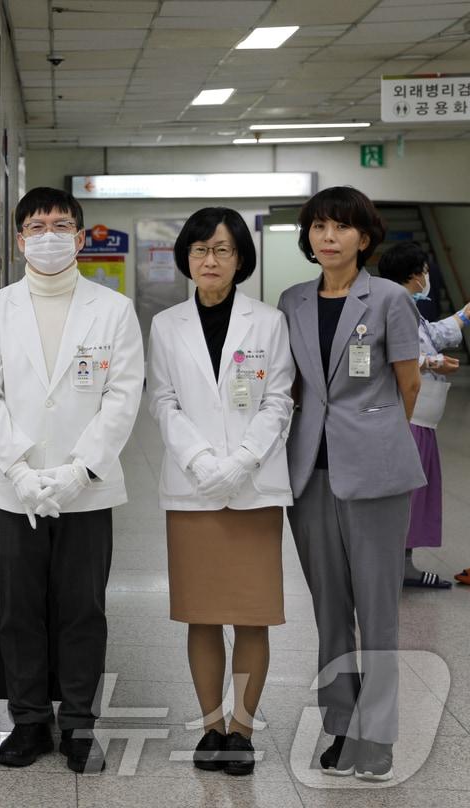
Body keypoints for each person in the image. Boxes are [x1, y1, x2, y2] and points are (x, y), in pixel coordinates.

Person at [0, 186, 143, 774]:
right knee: (17, 608)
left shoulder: (112, 309)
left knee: (82, 608)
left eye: (61, 225)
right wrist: (18, 467)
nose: (49, 236)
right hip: (10, 487)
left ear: (81, 236)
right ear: (19, 240)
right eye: (37, 226)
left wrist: (77, 471)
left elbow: (122, 398)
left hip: (86, 488)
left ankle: (79, 726)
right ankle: (29, 721)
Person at [277, 186, 422, 781]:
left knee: (379, 609)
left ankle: (379, 735)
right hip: (310, 473)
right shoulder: (292, 301)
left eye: (339, 227)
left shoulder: (389, 299)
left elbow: (407, 385)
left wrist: (376, 440)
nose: (326, 236)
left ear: (364, 237)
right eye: (317, 227)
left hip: (376, 475)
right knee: (329, 609)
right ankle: (340, 727)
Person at [147, 208, 295, 776]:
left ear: (241, 260)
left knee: (251, 616)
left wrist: (243, 461)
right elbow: (162, 401)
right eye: (201, 250)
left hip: (254, 489)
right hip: (192, 488)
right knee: (202, 615)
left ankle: (243, 729)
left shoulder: (268, 322)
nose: (210, 261)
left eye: (223, 250)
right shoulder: (166, 325)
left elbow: (280, 398)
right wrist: (202, 460)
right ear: (187, 257)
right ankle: (211, 728)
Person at [377, 241, 465, 589]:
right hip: (407, 418)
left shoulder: (410, 309)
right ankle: (395, 567)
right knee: (405, 496)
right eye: (425, 271)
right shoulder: (392, 309)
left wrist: (465, 315)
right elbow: (388, 356)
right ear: (415, 275)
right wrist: (431, 363)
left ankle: (405, 564)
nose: (427, 277)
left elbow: (431, 335)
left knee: (418, 495)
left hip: (423, 420)